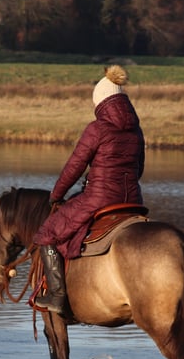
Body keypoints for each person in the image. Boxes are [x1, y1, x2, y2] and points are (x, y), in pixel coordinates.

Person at [33, 64, 145, 314]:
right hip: (134, 201)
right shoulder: (136, 129)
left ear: (101, 103)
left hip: (100, 199)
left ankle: (57, 297)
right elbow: (139, 169)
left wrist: (56, 195)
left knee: (47, 234)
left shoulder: (97, 128)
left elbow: (74, 166)